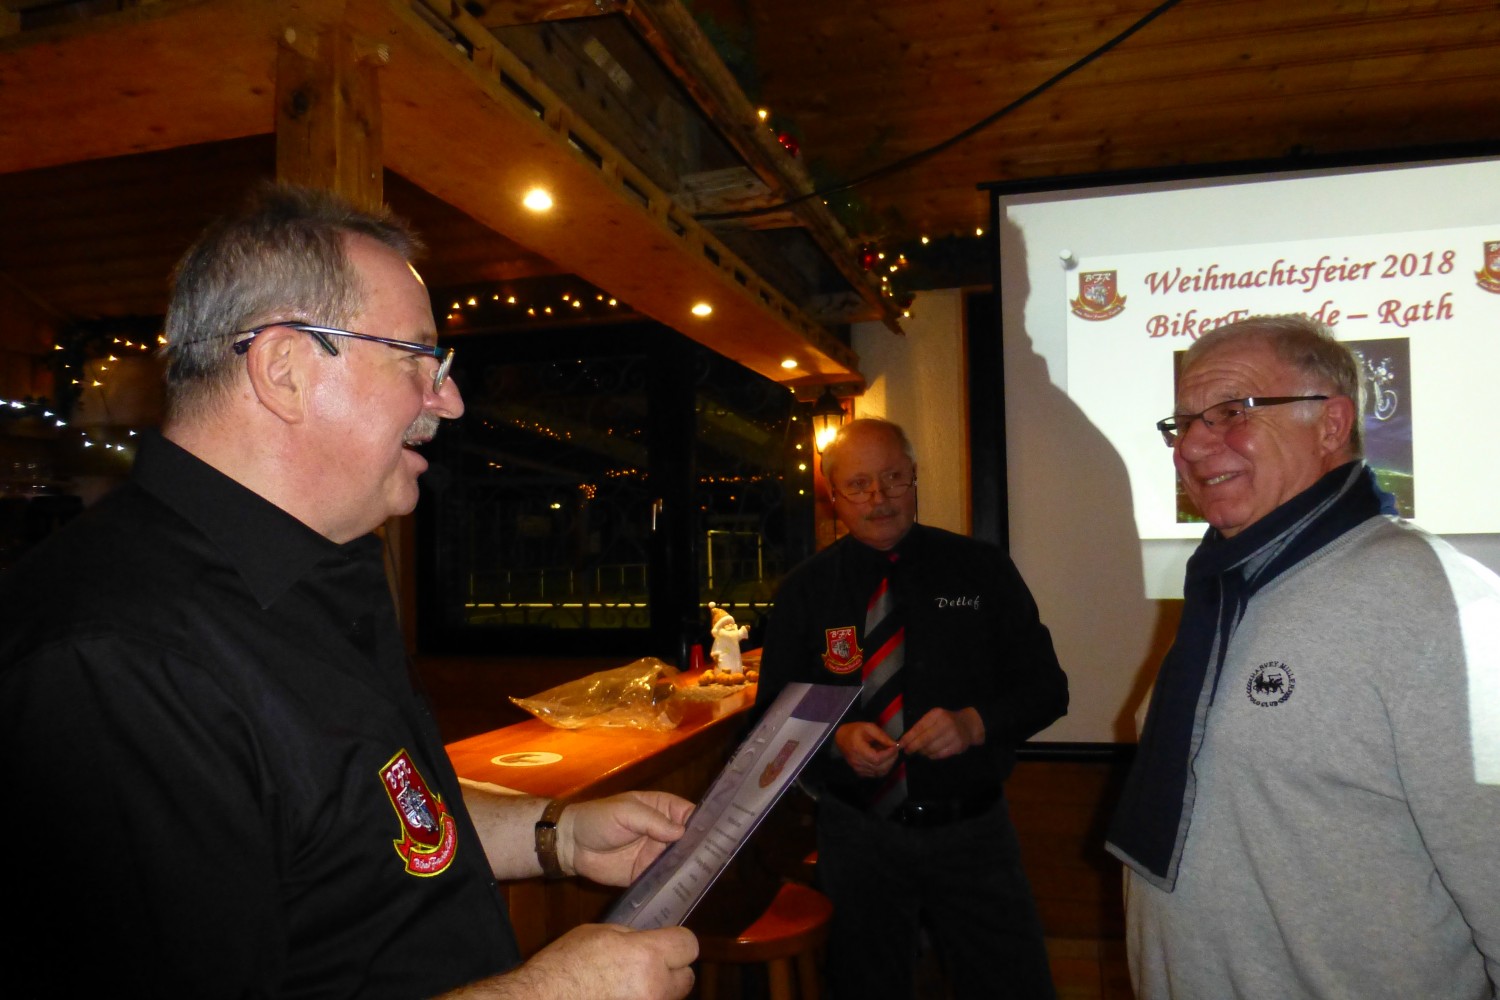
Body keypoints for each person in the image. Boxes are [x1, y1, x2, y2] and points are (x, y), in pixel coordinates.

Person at [0, 184, 698, 998]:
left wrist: (558, 837)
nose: (449, 400)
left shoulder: (319, 566)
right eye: (418, 359)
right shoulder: (113, 662)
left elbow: (363, 811)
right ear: (286, 370)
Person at [1106, 315, 1500, 999]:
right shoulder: (1228, 586)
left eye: (1232, 411)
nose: (1191, 446)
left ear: (1331, 424)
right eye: (1184, 423)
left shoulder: (1435, 597)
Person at [754, 417, 1068, 999]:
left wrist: (974, 724)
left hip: (973, 832)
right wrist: (836, 738)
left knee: (1012, 986)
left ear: (915, 477)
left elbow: (1047, 689)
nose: (879, 498)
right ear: (833, 495)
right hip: (857, 836)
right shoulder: (805, 590)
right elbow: (773, 716)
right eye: (859, 485)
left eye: (893, 478)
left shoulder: (981, 569)